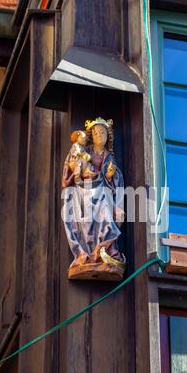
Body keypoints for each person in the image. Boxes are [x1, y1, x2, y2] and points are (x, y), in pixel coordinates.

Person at [61, 117, 125, 280]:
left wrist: (111, 176)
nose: (99, 135)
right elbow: (72, 165)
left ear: (107, 136)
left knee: (104, 204)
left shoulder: (109, 157)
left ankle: (104, 250)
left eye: (102, 133)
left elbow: (114, 177)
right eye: (96, 133)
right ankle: (87, 254)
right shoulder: (84, 150)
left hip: (102, 191)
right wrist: (75, 168)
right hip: (84, 189)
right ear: (91, 136)